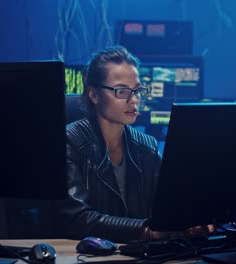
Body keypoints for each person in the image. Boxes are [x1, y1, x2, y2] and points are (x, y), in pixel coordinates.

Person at [58, 46, 212, 243]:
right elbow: (79, 220)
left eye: (137, 91)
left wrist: (193, 219)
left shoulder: (147, 147)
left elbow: (169, 204)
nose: (134, 100)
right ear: (94, 95)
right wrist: (147, 232)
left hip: (135, 255)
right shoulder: (70, 142)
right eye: (122, 91)